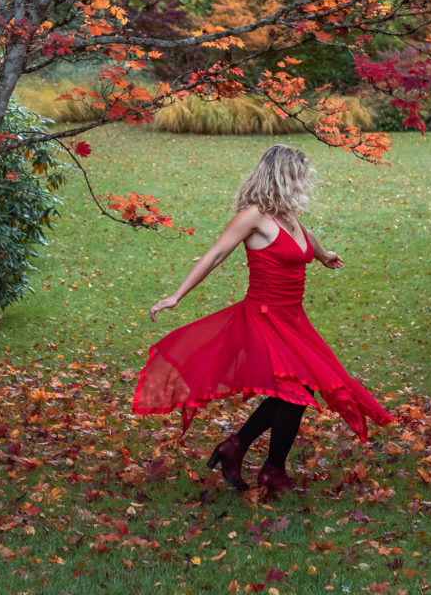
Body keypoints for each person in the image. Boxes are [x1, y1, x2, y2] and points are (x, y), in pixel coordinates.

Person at [132, 144, 396, 494]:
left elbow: (304, 239)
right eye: (299, 176)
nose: (304, 182)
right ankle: (268, 467)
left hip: (293, 319)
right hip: (264, 316)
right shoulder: (253, 216)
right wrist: (177, 295)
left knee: (300, 388)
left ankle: (240, 450)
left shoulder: (286, 215)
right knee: (294, 391)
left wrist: (323, 255)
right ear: (282, 176)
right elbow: (216, 254)